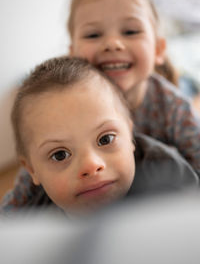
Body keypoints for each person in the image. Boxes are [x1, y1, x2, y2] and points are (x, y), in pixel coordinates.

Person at [0, 57, 198, 215]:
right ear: (32, 170)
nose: (90, 165)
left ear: (130, 135)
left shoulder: (168, 175)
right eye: (60, 154)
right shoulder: (30, 219)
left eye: (105, 139)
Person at [66, 0, 200, 174]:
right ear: (73, 54)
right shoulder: (64, 108)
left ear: (158, 49)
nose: (112, 43)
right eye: (93, 35)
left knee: (186, 83)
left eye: (130, 31)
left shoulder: (174, 107)